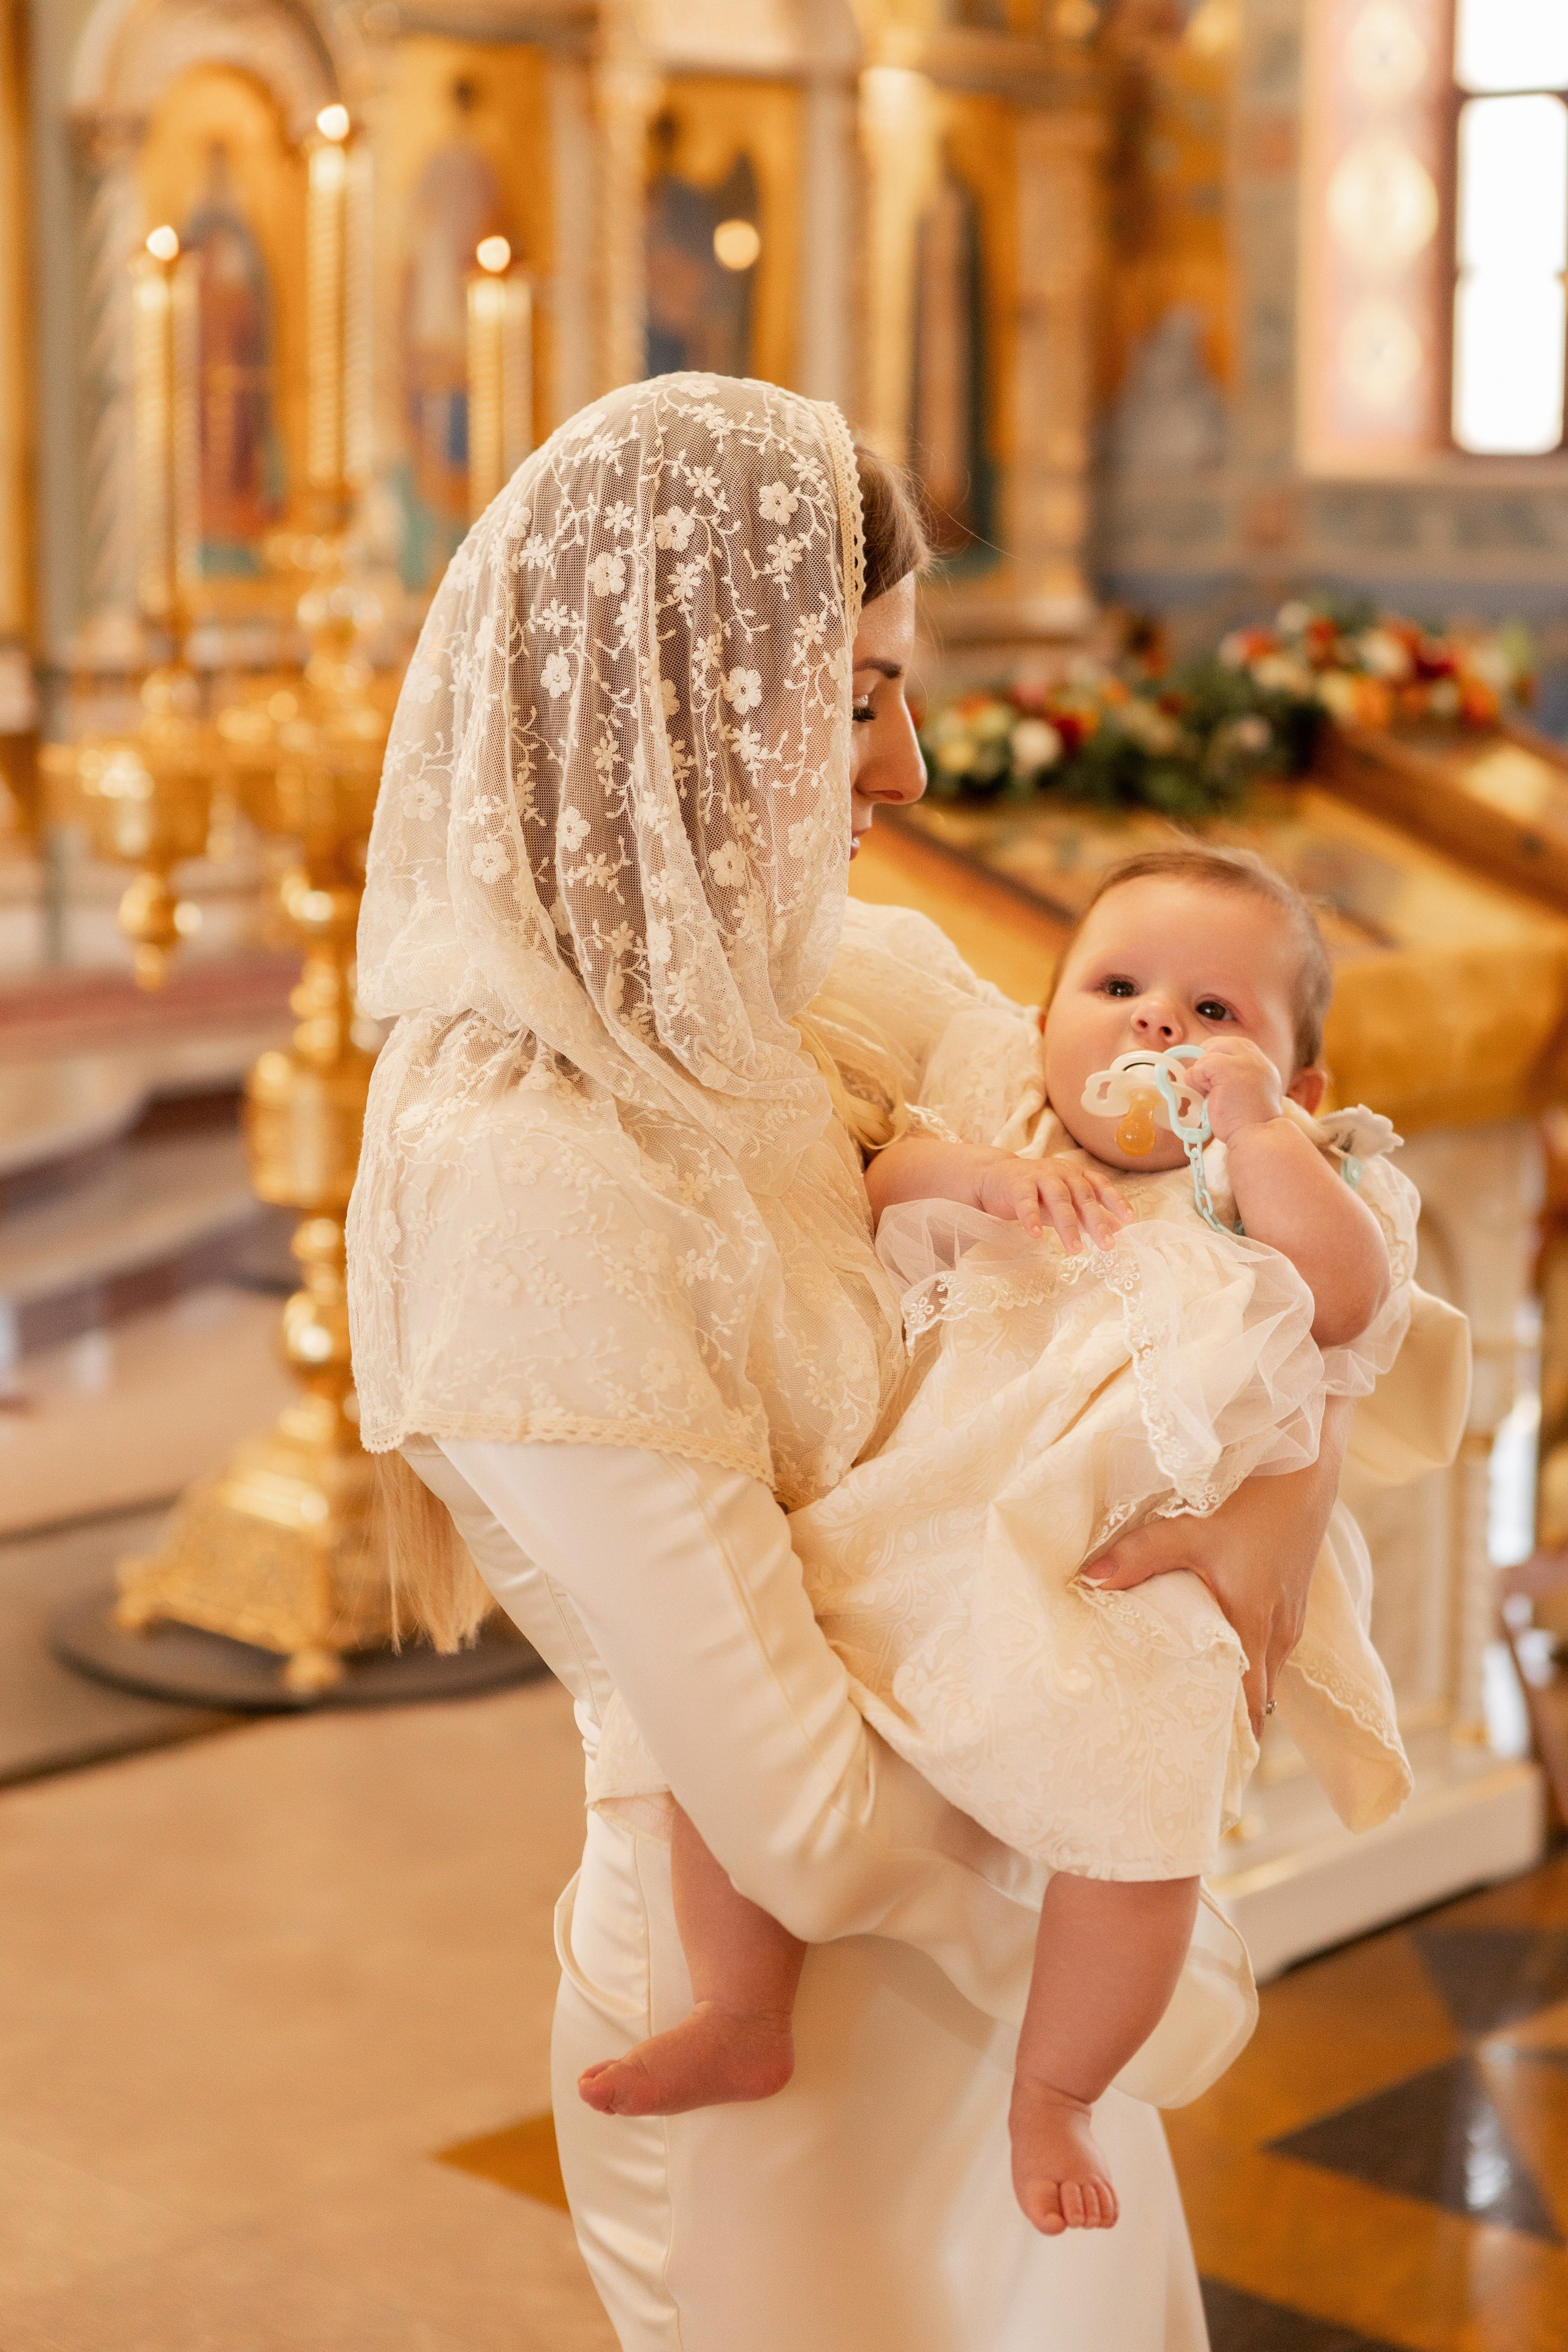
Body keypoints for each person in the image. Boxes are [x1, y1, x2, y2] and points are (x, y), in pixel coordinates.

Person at [345, 373, 1456, 2352]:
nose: (914, 769)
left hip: (1025, 1994)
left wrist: (1281, 1500)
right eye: (858, 698)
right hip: (804, 2035)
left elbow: (1214, 1240)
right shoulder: (517, 1162)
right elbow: (793, 1809)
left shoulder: (842, 980)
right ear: (685, 703)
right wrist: (1147, 1876)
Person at [576, 846, 1432, 2244]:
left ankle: (1058, 2091)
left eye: (1216, 1014)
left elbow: (1345, 1303)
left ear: (1303, 1081)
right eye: (1118, 987)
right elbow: (883, 1185)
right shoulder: (1008, 1111)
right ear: (1045, 1023)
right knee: (725, 1700)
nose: (1158, 1023)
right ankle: (740, 2007)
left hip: (1130, 1550)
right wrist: (979, 1179)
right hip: (939, 1497)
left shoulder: (1293, 1178)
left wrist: (1255, 1133)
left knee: (1143, 1804)